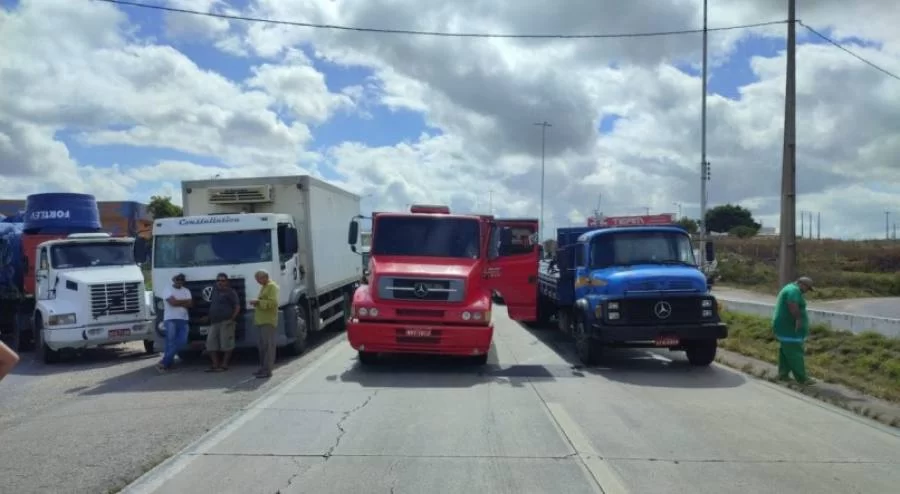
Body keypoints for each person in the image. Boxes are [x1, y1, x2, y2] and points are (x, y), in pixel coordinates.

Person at [772, 276, 816, 385]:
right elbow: (792, 305)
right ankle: (802, 378)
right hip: (789, 327)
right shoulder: (794, 291)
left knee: (786, 351)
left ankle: (783, 374)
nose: (806, 291)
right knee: (795, 352)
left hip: (784, 326)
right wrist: (798, 319)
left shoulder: (789, 288)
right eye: (807, 288)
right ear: (802, 284)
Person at [204, 273, 240, 372]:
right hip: (214, 322)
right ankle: (215, 364)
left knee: (226, 345)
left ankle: (224, 364)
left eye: (223, 280)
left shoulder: (231, 292)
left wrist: (232, 318)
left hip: (226, 322)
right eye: (218, 280)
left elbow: (237, 306)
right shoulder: (214, 292)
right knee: (210, 344)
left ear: (227, 281)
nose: (220, 282)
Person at [157, 273, 193, 372]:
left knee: (182, 341)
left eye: (181, 279)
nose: (179, 281)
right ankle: (168, 363)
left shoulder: (186, 290)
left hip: (183, 319)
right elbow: (172, 303)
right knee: (170, 342)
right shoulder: (167, 289)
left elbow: (190, 304)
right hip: (170, 319)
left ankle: (164, 362)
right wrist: (183, 302)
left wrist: (177, 301)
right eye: (178, 279)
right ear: (173, 280)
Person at [250, 270, 279, 379]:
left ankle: (268, 370)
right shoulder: (264, 286)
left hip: (268, 320)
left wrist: (258, 302)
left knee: (268, 346)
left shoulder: (272, 287)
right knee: (262, 346)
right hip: (261, 320)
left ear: (265, 277)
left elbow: (273, 303)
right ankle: (263, 368)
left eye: (259, 279)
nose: (258, 282)